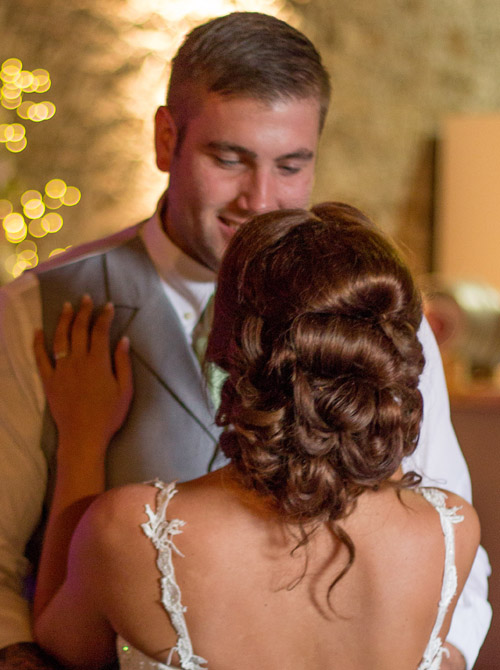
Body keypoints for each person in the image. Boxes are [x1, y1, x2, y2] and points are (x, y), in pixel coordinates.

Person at [0, 12, 490, 670]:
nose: (260, 201)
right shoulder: (34, 310)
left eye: (291, 165)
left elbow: (447, 564)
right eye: (229, 159)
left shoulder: (380, 318)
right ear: (165, 137)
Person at [31, 202, 481, 670]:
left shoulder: (129, 532)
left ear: (226, 350)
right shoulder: (448, 533)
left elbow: (60, 652)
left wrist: (81, 441)